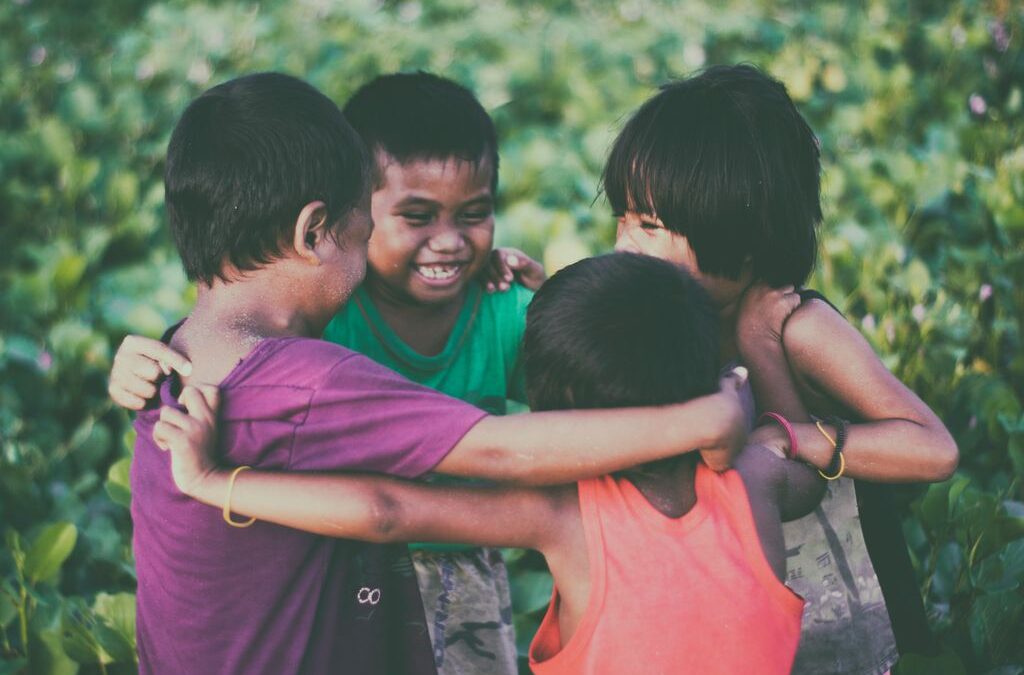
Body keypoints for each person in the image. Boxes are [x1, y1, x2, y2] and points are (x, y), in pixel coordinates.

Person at [130, 71, 747, 675]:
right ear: (314, 231)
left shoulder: (176, 356)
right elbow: (497, 453)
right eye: (364, 223)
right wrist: (703, 418)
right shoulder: (306, 380)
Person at [153, 252, 825, 675]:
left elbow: (385, 510)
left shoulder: (565, 515)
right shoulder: (758, 478)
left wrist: (214, 481)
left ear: (555, 413)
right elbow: (796, 448)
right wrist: (752, 362)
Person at [113, 70, 542, 675]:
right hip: (362, 563)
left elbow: (577, 387)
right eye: (414, 217)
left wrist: (558, 303)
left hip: (454, 560)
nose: (448, 242)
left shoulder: (503, 310)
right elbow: (240, 350)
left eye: (472, 215)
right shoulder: (322, 324)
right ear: (326, 226)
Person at [603, 64, 959, 674]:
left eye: (650, 226)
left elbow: (933, 450)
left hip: (848, 606)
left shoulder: (802, 327)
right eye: (624, 217)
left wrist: (797, 420)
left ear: (742, 246)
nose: (623, 245)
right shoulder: (666, 315)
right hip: (737, 609)